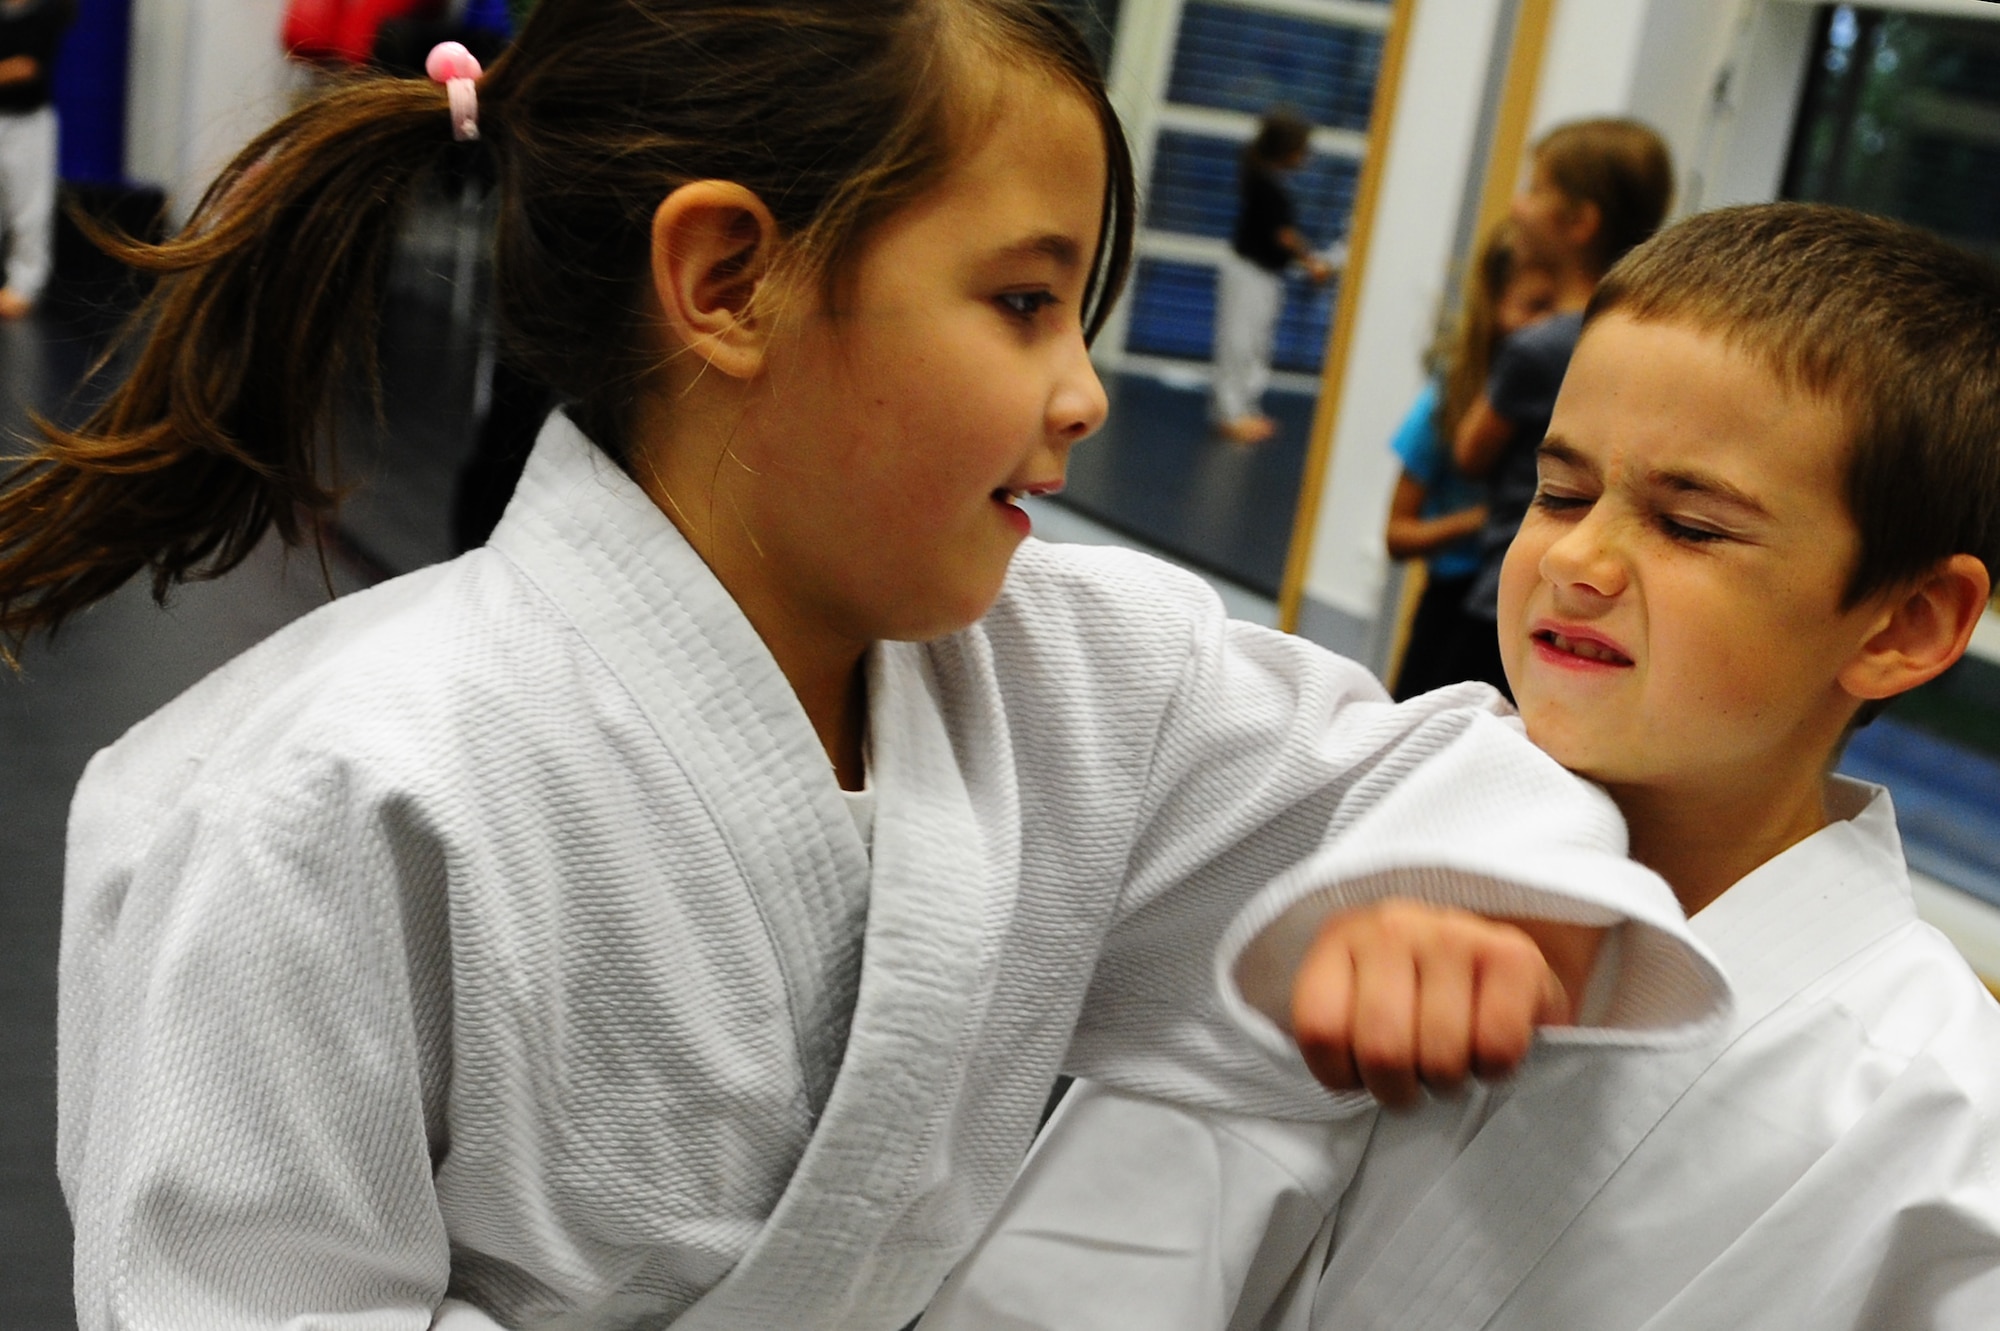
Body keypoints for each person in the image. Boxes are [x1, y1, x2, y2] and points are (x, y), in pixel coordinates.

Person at [0, 5, 1726, 1327]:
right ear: (731, 277)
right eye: (1026, 304)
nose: (1083, 392)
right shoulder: (326, 796)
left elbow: (1426, 768)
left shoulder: (1074, 678)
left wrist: (1467, 896)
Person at [917, 203, 2000, 1331]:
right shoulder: (1351, 847)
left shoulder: (1943, 1121)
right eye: (1560, 493)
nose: (1577, 558)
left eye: (1687, 524)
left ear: (1905, 622)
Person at [1451, 117, 1672, 696]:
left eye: (1534, 190)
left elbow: (1470, 453)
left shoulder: (1537, 346)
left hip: (1498, 589)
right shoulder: (1643, 337)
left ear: (1578, 221)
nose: (1518, 206)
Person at [1385, 219, 1554, 701]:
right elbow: (1397, 535)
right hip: (1454, 604)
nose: (1552, 326)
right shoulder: (1445, 403)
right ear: (1496, 306)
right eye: (1536, 307)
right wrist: (1480, 522)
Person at [1211, 107, 1333, 446]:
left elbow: (1285, 236)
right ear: (1287, 150)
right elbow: (1286, 236)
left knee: (1255, 344)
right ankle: (1229, 414)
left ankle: (1245, 408)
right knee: (1239, 342)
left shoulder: (1261, 179)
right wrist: (1312, 262)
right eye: (1302, 149)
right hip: (1248, 273)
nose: (1305, 156)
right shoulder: (1267, 187)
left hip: (1263, 275)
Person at [0, 0, 72, 319]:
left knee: (29, 205)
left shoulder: (49, 12)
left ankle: (24, 284)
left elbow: (25, 67)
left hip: (28, 122)